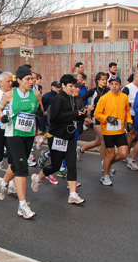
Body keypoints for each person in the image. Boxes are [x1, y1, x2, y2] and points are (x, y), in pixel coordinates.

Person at [31, 74, 92, 204]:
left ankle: (73, 194)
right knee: (55, 165)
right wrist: (75, 113)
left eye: (74, 86)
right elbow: (55, 118)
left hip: (69, 136)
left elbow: (73, 116)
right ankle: (37, 177)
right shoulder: (59, 99)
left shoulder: (72, 98)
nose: (72, 88)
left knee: (71, 164)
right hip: (58, 136)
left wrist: (82, 115)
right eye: (70, 86)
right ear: (63, 85)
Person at [0, 66, 42, 220]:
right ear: (19, 80)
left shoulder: (36, 93)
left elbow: (40, 109)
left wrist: (41, 113)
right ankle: (23, 205)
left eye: (32, 79)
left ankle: (3, 182)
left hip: (28, 134)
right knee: (22, 168)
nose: (31, 81)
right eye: (28, 79)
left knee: (15, 165)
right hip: (13, 134)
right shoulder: (9, 95)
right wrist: (3, 117)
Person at [94, 76, 133, 186]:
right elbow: (97, 114)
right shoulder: (104, 98)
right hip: (108, 131)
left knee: (124, 154)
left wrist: (129, 122)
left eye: (116, 84)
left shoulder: (124, 97)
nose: (114, 86)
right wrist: (107, 118)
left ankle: (107, 164)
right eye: (112, 84)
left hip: (120, 130)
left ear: (120, 85)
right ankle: (105, 176)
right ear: (109, 85)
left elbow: (127, 112)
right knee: (110, 155)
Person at [78, 72, 112, 175]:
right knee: (103, 140)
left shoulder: (109, 91)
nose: (104, 81)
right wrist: (86, 108)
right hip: (96, 118)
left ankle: (81, 149)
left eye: (106, 79)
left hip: (106, 119)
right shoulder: (93, 91)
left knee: (98, 142)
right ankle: (104, 163)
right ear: (98, 80)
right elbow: (80, 100)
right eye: (102, 79)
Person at [121, 71, 138, 171]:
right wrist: (132, 104)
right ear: (135, 78)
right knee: (132, 135)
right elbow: (121, 100)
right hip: (129, 115)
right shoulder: (128, 88)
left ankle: (128, 152)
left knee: (137, 137)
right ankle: (125, 155)